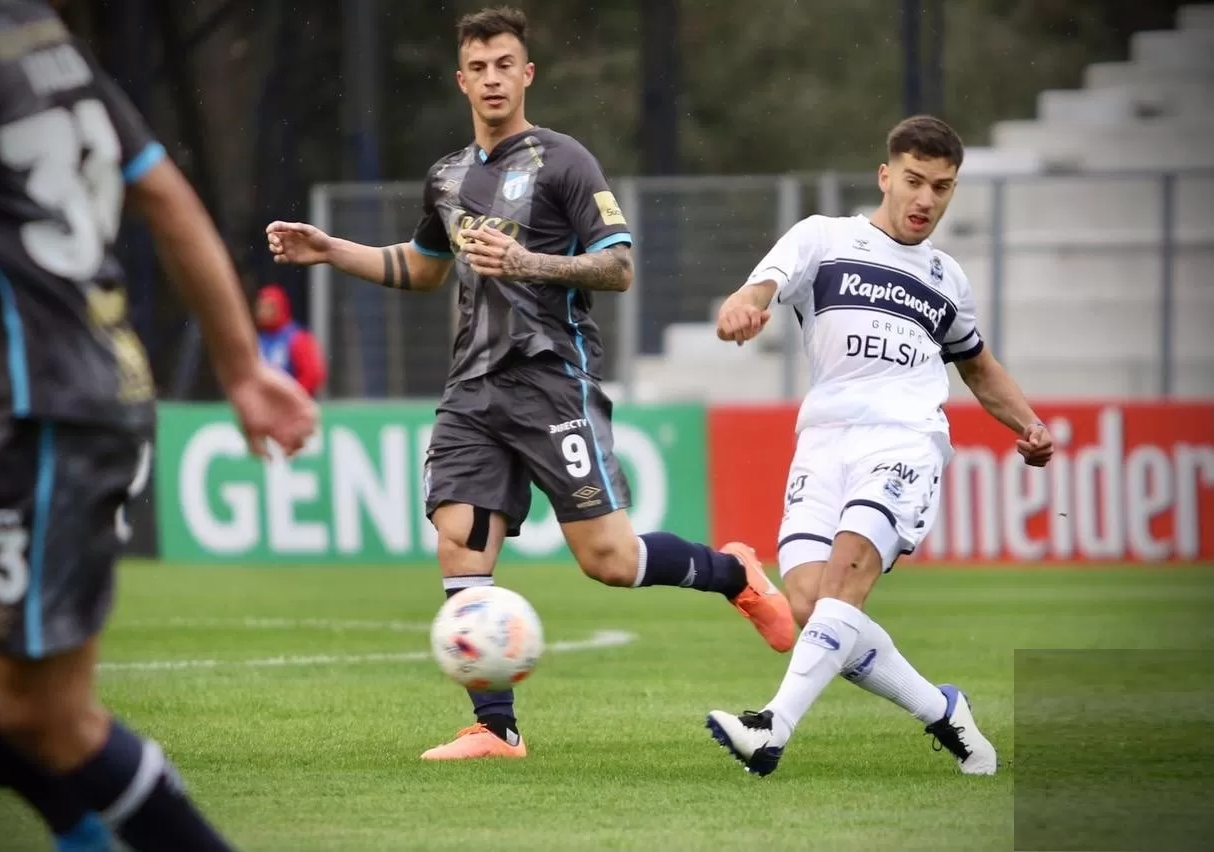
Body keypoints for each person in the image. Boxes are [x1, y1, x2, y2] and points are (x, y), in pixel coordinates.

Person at [266, 5, 795, 762]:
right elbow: (422, 267)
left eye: (503, 64)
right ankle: (496, 727)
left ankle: (732, 573)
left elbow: (618, 265)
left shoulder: (565, 162)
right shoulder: (447, 176)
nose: (491, 79)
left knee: (608, 561)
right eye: (477, 67)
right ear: (461, 79)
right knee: (459, 542)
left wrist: (531, 263)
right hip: (472, 390)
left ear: (526, 74)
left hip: (553, 381)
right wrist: (330, 250)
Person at [0, 2, 318, 850]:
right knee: (40, 715)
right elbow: (164, 193)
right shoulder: (37, 36)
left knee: (47, 718)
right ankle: (81, 830)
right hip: (52, 399)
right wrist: (242, 369)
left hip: (48, 411)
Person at [704, 115, 1054, 778]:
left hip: (906, 440)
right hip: (824, 441)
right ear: (885, 176)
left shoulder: (948, 279)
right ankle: (943, 710)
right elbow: (762, 287)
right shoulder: (825, 238)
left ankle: (771, 727)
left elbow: (977, 367)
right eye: (915, 181)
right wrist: (741, 308)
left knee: (846, 580)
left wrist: (1029, 426)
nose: (926, 200)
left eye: (942, 187)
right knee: (811, 607)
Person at [255, 283, 327, 396]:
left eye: (269, 307)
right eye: (260, 307)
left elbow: (313, 375)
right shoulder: (255, 339)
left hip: (291, 404)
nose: (263, 312)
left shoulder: (297, 338)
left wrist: (290, 396)